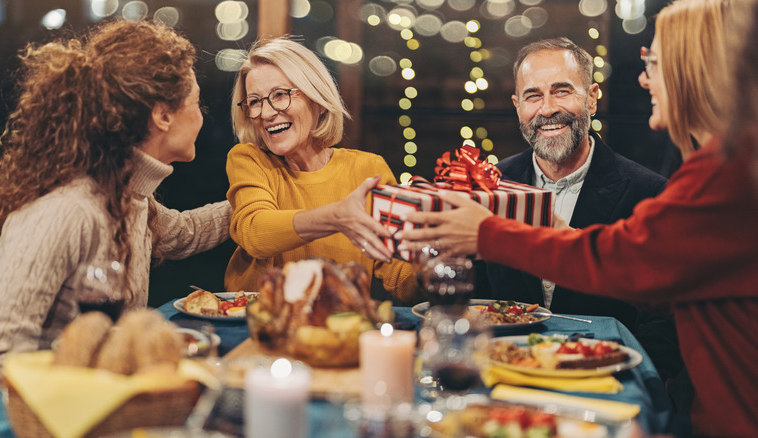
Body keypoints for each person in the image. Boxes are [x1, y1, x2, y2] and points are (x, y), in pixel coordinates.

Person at [396, 0, 758, 435]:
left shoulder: (727, 174)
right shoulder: (730, 165)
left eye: (655, 62)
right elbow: (670, 286)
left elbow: (623, 263)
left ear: (694, 70)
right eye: (533, 95)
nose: (644, 77)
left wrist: (488, 231)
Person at [0, 20, 232, 401]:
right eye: (197, 103)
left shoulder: (125, 196)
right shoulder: (67, 210)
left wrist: (261, 196)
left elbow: (184, 231)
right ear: (163, 115)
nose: (202, 116)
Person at [486, 37, 667, 330]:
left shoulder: (651, 194)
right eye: (533, 96)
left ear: (592, 98)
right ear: (517, 107)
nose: (547, 109)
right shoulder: (489, 185)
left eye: (562, 91)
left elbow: (663, 327)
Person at [225, 37, 418, 303]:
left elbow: (402, 280)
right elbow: (255, 232)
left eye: (280, 95)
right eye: (255, 101)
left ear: (317, 98)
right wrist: (337, 216)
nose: (266, 113)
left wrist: (433, 258)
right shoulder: (249, 159)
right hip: (261, 328)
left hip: (338, 327)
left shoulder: (368, 169)